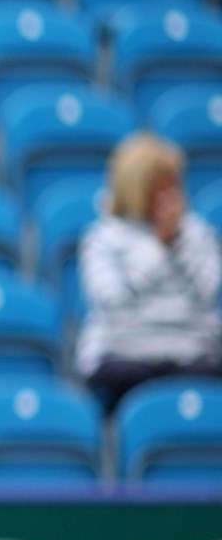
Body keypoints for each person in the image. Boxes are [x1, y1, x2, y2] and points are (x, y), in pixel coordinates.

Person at [77, 133, 222, 412]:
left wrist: (178, 244)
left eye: (172, 186)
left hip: (190, 354)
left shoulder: (197, 234)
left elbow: (208, 293)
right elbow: (112, 300)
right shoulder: (102, 238)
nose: (167, 196)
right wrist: (159, 247)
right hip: (125, 355)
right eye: (158, 187)